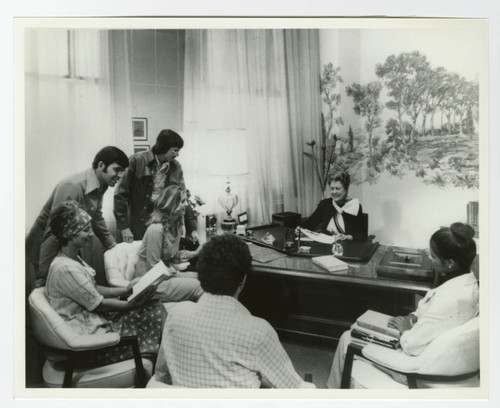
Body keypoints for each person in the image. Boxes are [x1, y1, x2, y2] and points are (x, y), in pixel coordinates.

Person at [326, 222, 479, 388]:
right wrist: (414, 316)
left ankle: (334, 396)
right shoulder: (468, 285)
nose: (429, 257)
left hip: (412, 369)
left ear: (450, 263)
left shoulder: (450, 299)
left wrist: (406, 328)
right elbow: (433, 313)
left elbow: (411, 345)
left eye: (434, 256)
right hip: (437, 356)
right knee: (353, 331)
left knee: (347, 338)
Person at [153, 233, 315, 388]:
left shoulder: (175, 316)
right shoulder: (259, 331)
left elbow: (162, 377)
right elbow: (293, 389)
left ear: (200, 274)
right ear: (243, 279)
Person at [45, 200, 166, 367]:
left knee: (153, 307)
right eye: (85, 230)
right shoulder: (65, 268)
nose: (91, 234)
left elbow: (93, 289)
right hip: (88, 343)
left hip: (94, 322)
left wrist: (126, 289)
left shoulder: (72, 259)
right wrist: (132, 305)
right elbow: (99, 304)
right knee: (153, 311)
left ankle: (159, 363)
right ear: (69, 234)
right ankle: (160, 365)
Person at [26, 146, 129, 285]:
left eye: (123, 171)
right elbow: (53, 233)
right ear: (101, 165)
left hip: (63, 247)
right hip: (43, 251)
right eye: (117, 170)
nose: (120, 175)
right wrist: (45, 274)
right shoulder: (73, 186)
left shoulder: (100, 184)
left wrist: (112, 246)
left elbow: (96, 218)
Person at [114, 129, 198, 245]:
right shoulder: (136, 160)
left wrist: (192, 228)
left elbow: (182, 197)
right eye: (175, 151)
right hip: (139, 223)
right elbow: (120, 194)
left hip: (165, 223)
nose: (177, 154)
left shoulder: (176, 167)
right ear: (164, 147)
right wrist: (124, 227)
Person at [134, 184, 203, 302]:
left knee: (205, 279)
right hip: (149, 282)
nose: (187, 204)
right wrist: (173, 272)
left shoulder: (176, 226)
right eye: (182, 201)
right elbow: (153, 266)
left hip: (164, 275)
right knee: (200, 286)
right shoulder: (156, 229)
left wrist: (196, 252)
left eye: (186, 200)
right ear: (171, 204)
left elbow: (173, 256)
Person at [299, 170, 366, 241]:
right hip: (326, 247)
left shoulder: (354, 206)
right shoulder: (325, 204)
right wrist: (300, 230)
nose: (334, 192)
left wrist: (347, 237)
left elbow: (362, 235)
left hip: (348, 247)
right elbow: (310, 223)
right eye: (332, 188)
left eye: (337, 188)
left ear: (346, 189)